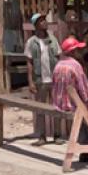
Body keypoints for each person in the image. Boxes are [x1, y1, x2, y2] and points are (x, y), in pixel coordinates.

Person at [51, 35, 88, 163]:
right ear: (72, 51)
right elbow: (83, 88)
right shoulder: (75, 65)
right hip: (73, 105)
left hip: (60, 104)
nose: (80, 52)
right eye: (78, 49)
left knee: (83, 123)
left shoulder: (58, 65)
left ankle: (85, 153)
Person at [25, 13, 61, 143]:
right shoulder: (31, 42)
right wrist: (30, 81)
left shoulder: (53, 39)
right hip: (40, 79)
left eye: (44, 20)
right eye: (41, 21)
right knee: (40, 108)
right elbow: (29, 62)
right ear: (36, 26)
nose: (45, 23)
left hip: (53, 79)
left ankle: (56, 135)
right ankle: (42, 136)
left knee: (56, 107)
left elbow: (58, 57)